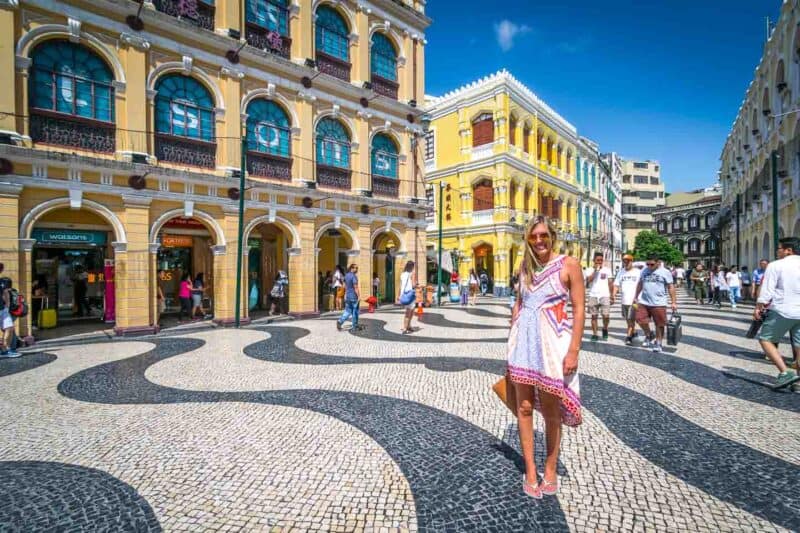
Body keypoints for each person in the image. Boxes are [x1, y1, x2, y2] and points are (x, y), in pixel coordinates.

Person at [508, 215, 584, 498]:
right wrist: (512, 336)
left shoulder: (568, 265)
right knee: (524, 408)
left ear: (552, 236)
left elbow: (579, 309)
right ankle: (530, 469)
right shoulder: (525, 267)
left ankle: (550, 468)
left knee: (552, 411)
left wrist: (573, 350)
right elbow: (519, 303)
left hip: (552, 345)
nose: (538, 240)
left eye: (543, 235)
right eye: (533, 236)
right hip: (523, 345)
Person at [753, 237, 800, 389]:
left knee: (766, 339)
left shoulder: (775, 265)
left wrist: (759, 307)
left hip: (782, 309)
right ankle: (798, 380)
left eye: (779, 248)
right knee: (799, 345)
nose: (777, 251)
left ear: (788, 250)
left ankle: (785, 372)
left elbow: (767, 290)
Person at [633, 255, 678, 353]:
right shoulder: (644, 271)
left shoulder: (665, 272)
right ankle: (649, 334)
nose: (649, 266)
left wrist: (673, 302)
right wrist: (636, 296)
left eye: (651, 264)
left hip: (659, 303)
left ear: (658, 262)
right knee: (639, 319)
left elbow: (671, 287)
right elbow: (640, 283)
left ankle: (658, 342)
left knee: (659, 324)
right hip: (644, 301)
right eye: (647, 264)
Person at [612, 254, 642, 345]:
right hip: (624, 300)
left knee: (630, 319)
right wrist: (613, 295)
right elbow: (616, 285)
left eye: (628, 261)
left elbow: (642, 284)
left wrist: (639, 297)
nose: (626, 263)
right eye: (624, 261)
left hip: (635, 300)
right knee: (628, 319)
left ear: (631, 261)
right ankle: (634, 332)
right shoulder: (621, 272)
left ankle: (628, 336)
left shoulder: (638, 272)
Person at [584, 252, 613, 341]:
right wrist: (595, 271)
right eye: (598, 260)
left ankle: (605, 328)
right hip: (593, 295)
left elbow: (610, 283)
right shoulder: (589, 270)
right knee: (594, 316)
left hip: (605, 295)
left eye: (601, 260)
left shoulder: (607, 270)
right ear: (593, 260)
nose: (599, 262)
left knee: (606, 315)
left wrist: (612, 295)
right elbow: (589, 281)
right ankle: (595, 334)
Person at [0, 265, 19, 358]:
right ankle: (4, 349)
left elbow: (5, 293)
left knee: (10, 328)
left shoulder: (1, 282)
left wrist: (6, 307)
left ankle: (6, 350)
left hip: (3, 309)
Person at [337, 264, 360, 331]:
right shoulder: (353, 276)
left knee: (348, 311)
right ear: (351, 268)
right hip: (353, 296)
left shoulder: (346, 276)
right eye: (355, 268)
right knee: (355, 311)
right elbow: (355, 287)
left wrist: (345, 294)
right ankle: (354, 326)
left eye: (357, 268)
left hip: (348, 296)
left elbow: (344, 286)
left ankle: (340, 321)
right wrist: (358, 296)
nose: (356, 269)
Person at [399, 261, 417, 334]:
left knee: (411, 310)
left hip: (404, 294)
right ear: (412, 267)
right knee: (409, 312)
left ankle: (408, 326)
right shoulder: (412, 274)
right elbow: (413, 285)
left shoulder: (402, 274)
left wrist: (400, 295)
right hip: (410, 294)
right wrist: (417, 284)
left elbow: (401, 286)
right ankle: (405, 328)